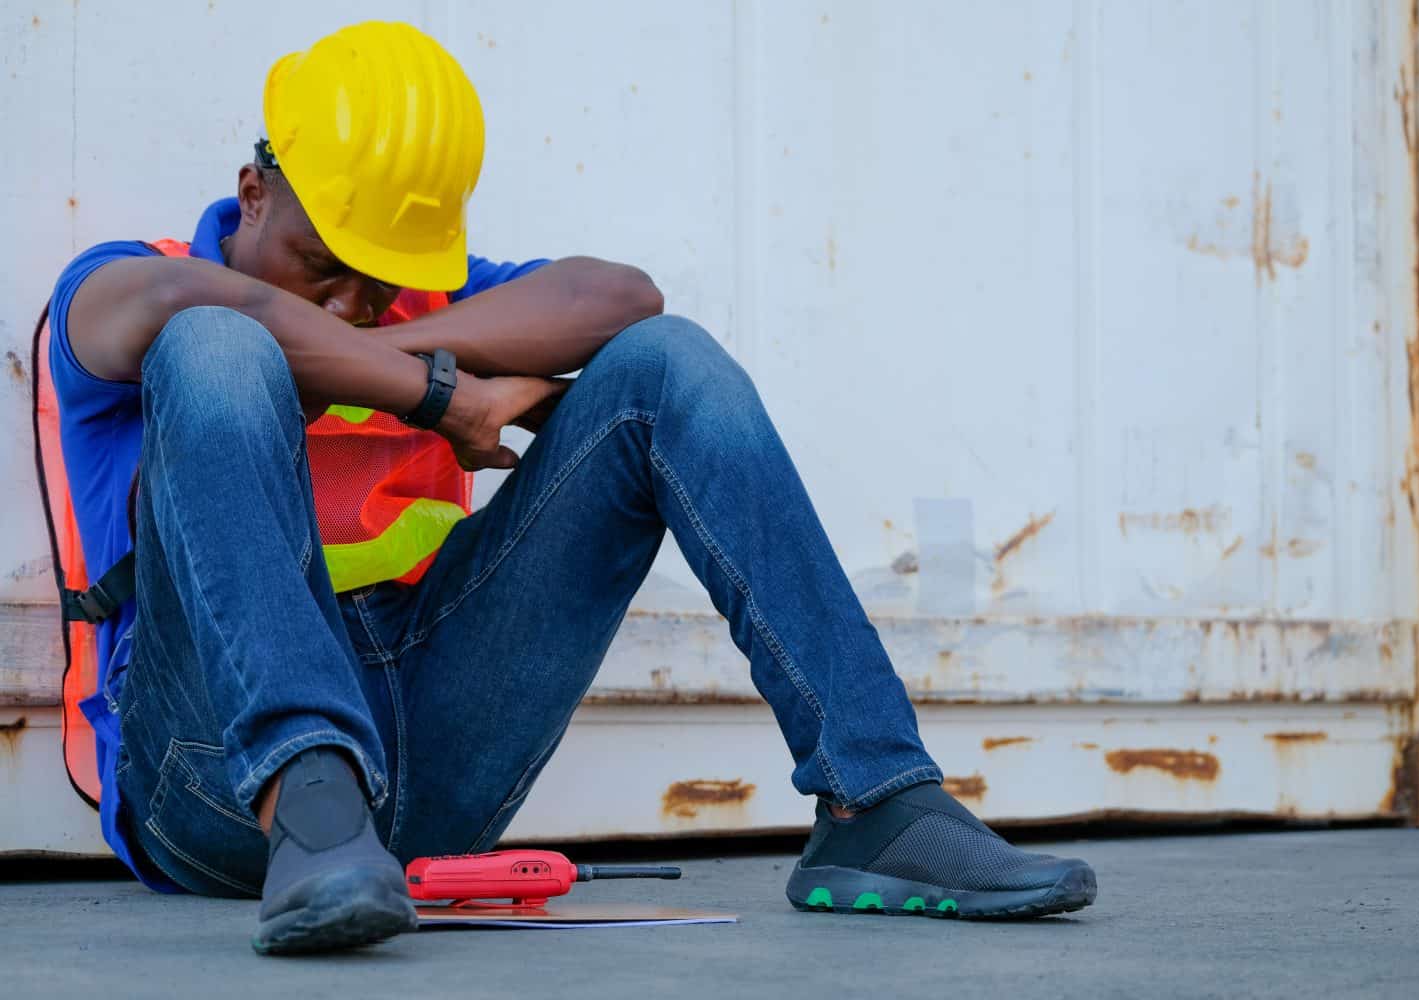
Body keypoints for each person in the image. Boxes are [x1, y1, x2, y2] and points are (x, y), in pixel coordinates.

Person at [43, 21, 1096, 955]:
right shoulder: (134, 279)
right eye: (327, 268)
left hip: (430, 744)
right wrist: (434, 395)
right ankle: (310, 798)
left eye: (378, 277)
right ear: (253, 190)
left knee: (669, 362)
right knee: (219, 343)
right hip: (217, 779)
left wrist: (398, 348)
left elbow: (622, 297)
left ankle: (878, 797)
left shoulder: (404, 306)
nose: (356, 301)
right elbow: (182, 300)